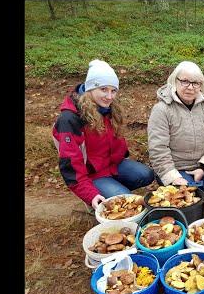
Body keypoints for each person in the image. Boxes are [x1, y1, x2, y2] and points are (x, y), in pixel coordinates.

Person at [52, 59, 155, 211]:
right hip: (91, 174)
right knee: (125, 203)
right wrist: (90, 194)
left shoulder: (108, 108)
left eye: (113, 90)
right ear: (90, 88)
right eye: (103, 89)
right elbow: (71, 167)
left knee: (146, 174)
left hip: (111, 165)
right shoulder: (70, 119)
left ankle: (111, 190)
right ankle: (96, 198)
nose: (109, 96)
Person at [147, 61, 204, 192]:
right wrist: (173, 177)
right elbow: (158, 148)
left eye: (195, 83)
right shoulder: (162, 109)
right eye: (185, 81)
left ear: (201, 85)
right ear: (175, 81)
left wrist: (203, 168)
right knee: (188, 192)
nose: (190, 87)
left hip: (202, 165)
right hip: (176, 168)